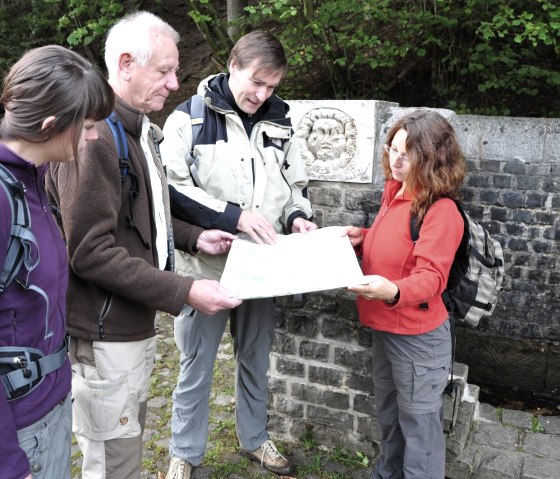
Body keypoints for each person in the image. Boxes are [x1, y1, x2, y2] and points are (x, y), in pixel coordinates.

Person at [45, 12, 241, 479]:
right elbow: (90, 250)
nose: (176, 83)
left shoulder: (138, 128)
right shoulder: (94, 138)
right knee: (114, 460)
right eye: (165, 71)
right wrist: (186, 291)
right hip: (106, 329)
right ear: (126, 64)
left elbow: (141, 208)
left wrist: (195, 236)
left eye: (175, 71)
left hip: (130, 323)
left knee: (127, 444)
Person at [161, 31, 316, 478]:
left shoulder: (280, 122)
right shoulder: (187, 119)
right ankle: (184, 453)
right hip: (207, 269)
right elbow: (172, 188)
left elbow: (295, 187)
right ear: (232, 65)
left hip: (263, 270)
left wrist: (298, 218)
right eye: (256, 82)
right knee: (196, 365)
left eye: (273, 86)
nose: (263, 94)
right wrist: (235, 216)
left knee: (255, 357)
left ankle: (255, 440)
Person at [0, 45, 114, 479]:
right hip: (20, 429)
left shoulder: (34, 180)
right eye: (85, 126)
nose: (92, 137)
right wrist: (9, 464)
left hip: (49, 404)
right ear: (50, 126)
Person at [342, 110, 466, 478]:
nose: (395, 161)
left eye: (406, 154)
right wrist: (363, 238)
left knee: (420, 427)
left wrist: (392, 290)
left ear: (430, 159)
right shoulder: (397, 191)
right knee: (391, 415)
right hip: (387, 327)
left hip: (418, 338)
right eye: (391, 149)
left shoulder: (441, 210)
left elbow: (431, 278)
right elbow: (398, 245)